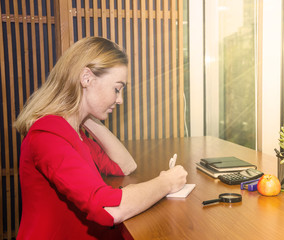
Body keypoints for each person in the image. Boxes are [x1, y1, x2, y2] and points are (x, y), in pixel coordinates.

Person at [14, 36, 188, 239]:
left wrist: (85, 115)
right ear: (86, 77)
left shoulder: (75, 132)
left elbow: (125, 166)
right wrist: (166, 182)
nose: (120, 99)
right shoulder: (48, 135)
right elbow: (108, 208)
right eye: (117, 89)